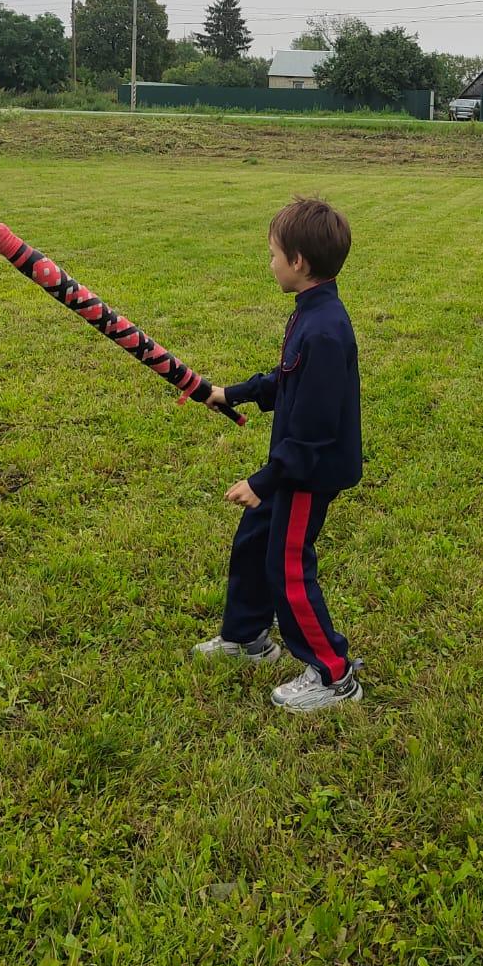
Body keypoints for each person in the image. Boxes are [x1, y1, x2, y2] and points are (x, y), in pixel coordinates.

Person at [194, 197, 364, 713]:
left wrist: (264, 481)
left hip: (308, 472)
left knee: (288, 566)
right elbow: (285, 381)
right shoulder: (310, 314)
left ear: (298, 262)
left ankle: (333, 674)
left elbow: (315, 430)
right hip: (294, 464)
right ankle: (246, 638)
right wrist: (232, 393)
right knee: (254, 542)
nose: (268, 263)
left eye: (272, 254)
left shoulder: (325, 330)